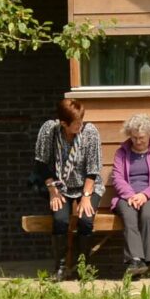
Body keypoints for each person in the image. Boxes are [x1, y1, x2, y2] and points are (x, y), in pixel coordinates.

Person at [32, 98, 102, 275]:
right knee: (60, 220)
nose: (80, 125)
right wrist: (52, 190)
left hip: (86, 184)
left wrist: (86, 196)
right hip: (60, 186)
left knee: (86, 220)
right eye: (76, 123)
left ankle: (82, 268)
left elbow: (93, 169)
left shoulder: (90, 132)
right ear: (63, 123)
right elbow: (41, 164)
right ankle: (60, 268)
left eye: (81, 121)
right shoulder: (50, 131)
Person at [109, 113, 150, 279]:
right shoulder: (121, 153)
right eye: (134, 137)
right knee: (128, 215)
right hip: (127, 196)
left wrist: (144, 195)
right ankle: (137, 260)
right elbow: (117, 177)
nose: (137, 141)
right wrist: (130, 195)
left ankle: (141, 262)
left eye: (141, 137)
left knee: (148, 214)